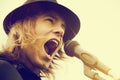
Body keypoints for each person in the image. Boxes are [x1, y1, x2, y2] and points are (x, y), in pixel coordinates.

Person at [0, 0, 80, 80]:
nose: (61, 31)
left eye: (63, 26)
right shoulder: (3, 70)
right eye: (50, 20)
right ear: (22, 28)